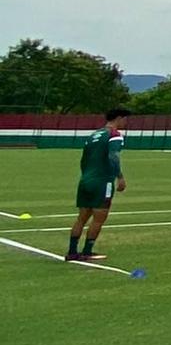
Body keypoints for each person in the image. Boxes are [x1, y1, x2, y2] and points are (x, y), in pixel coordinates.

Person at [67, 107, 129, 263]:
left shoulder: (94, 135)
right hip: (102, 182)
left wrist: (86, 175)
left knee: (81, 218)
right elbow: (113, 156)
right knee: (98, 219)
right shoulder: (114, 135)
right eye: (125, 119)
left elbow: (84, 159)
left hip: (86, 180)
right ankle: (87, 251)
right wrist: (119, 177)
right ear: (119, 118)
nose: (126, 122)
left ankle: (72, 252)